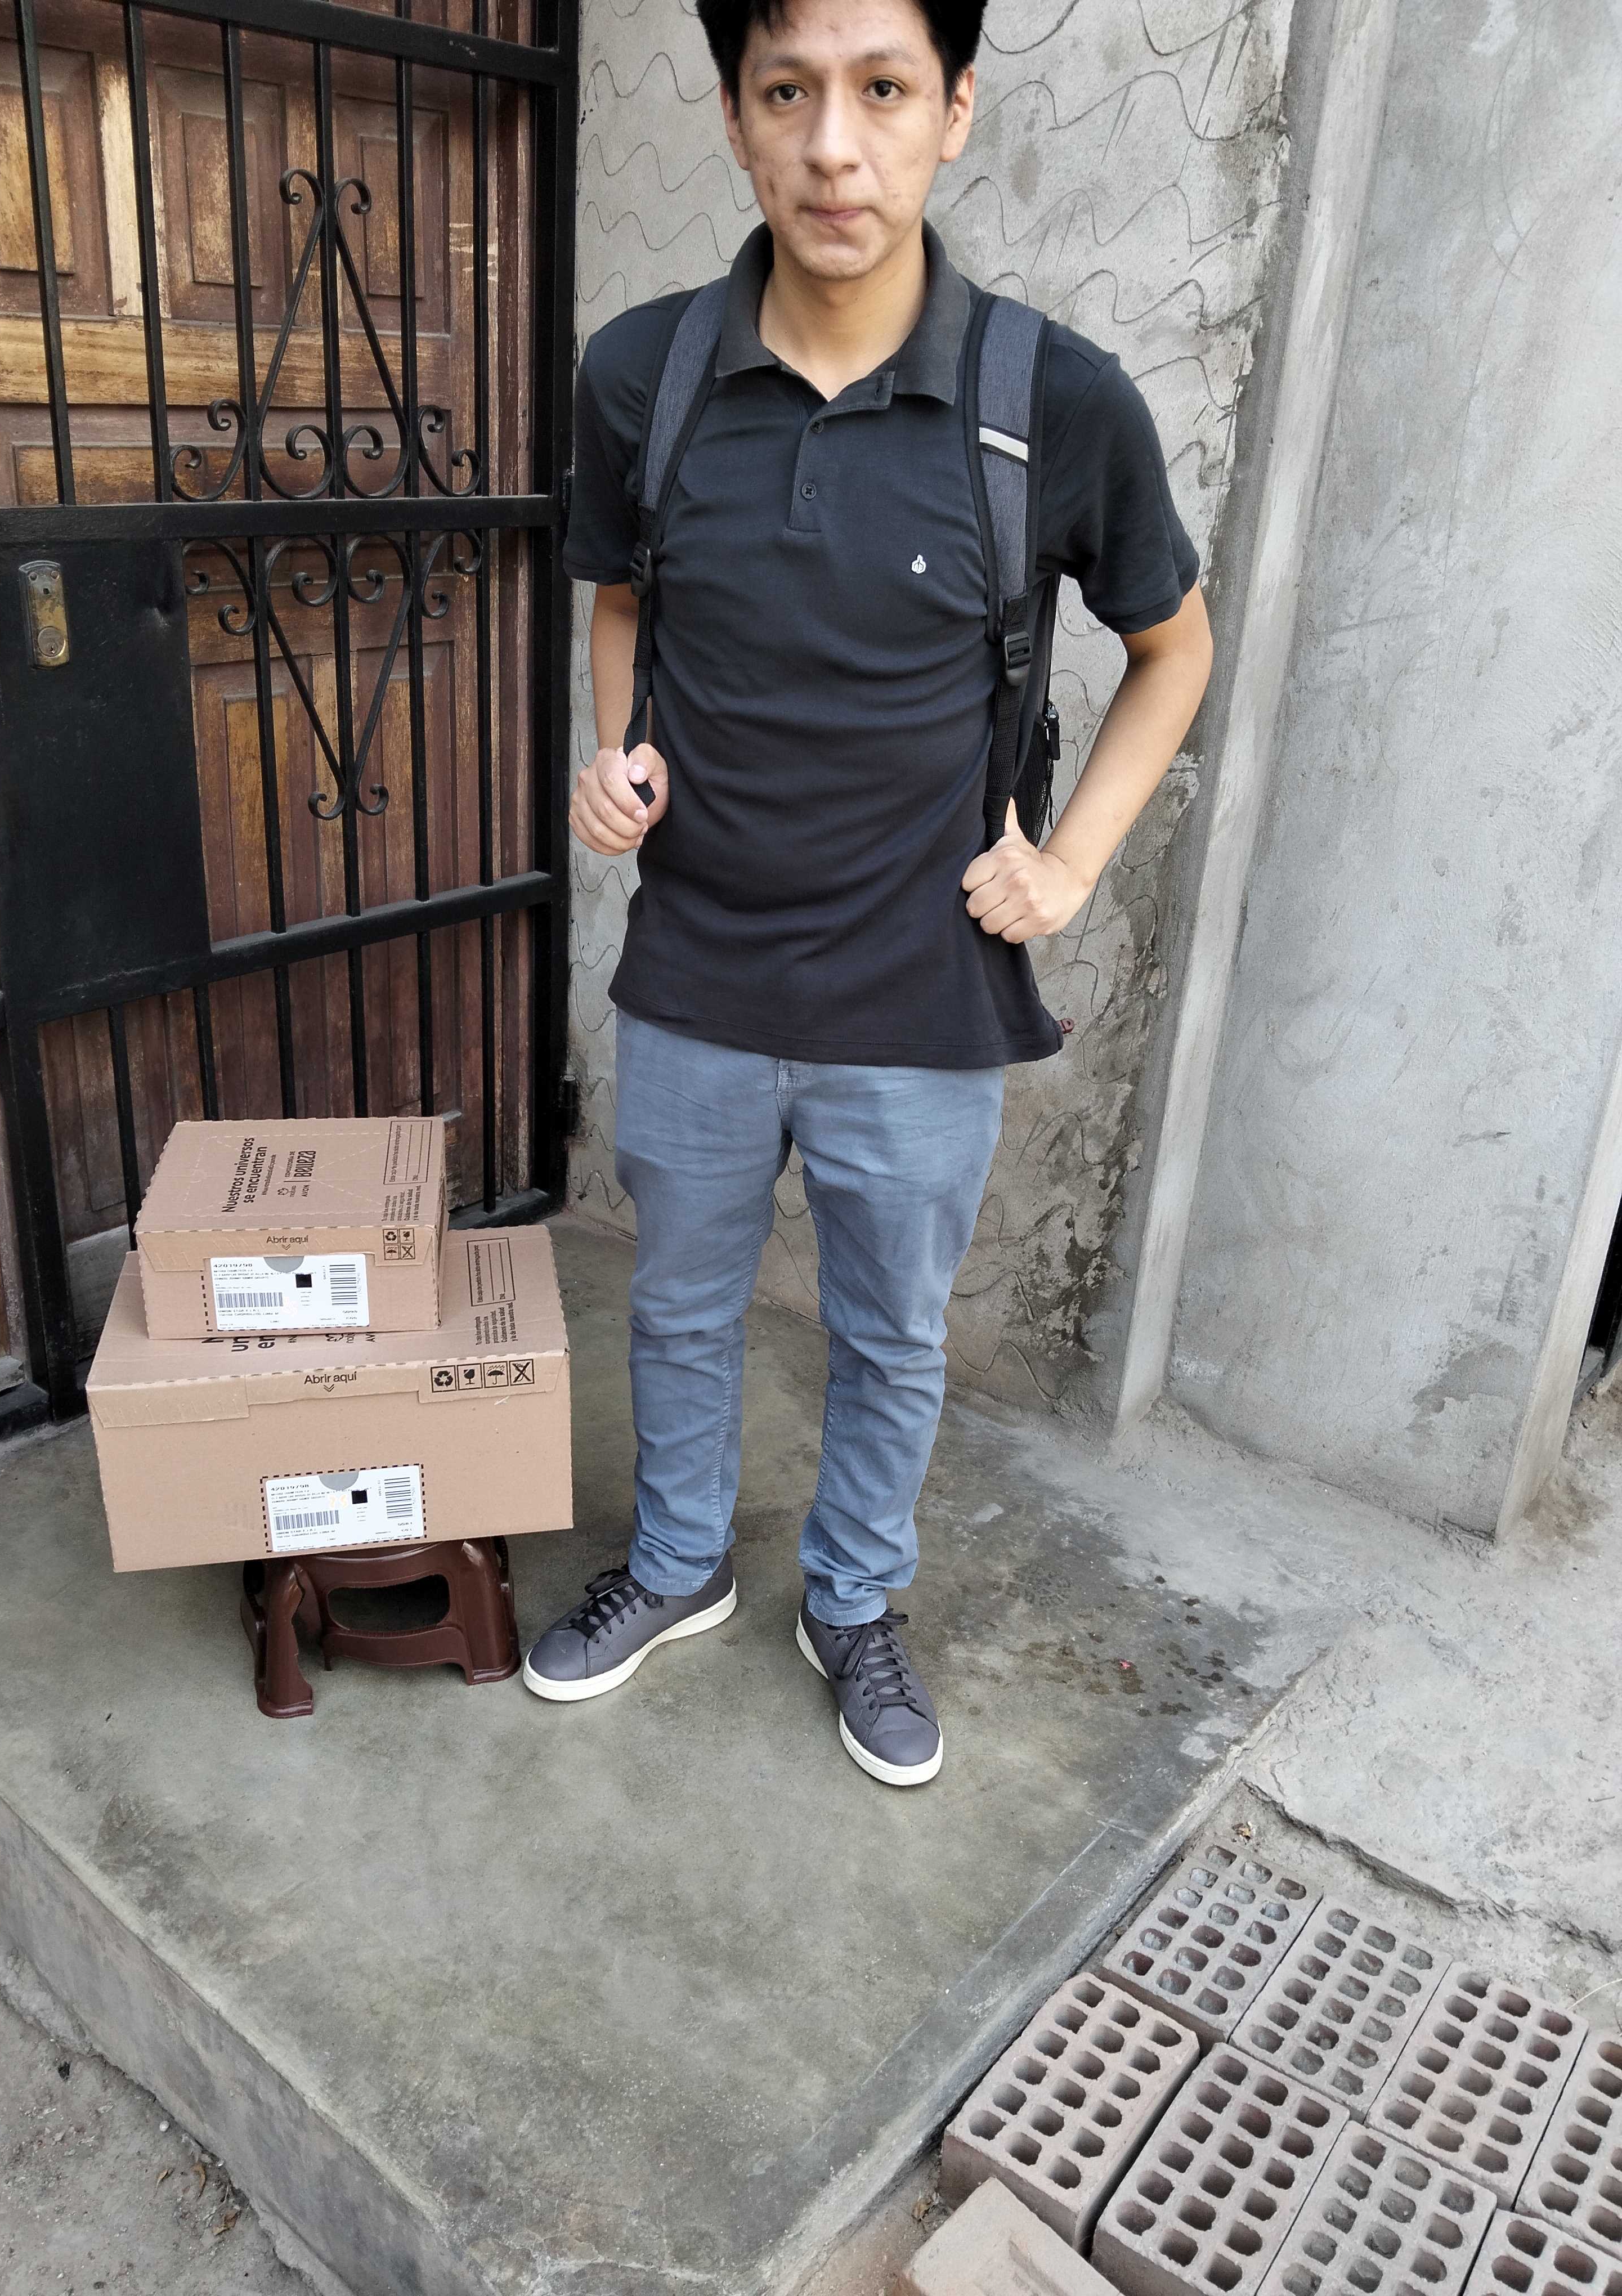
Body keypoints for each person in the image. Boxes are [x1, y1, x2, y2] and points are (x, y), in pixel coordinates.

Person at [521, 0, 1213, 1785]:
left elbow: (1174, 647)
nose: (835, 145)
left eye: (883, 90)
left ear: (953, 110)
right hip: (697, 969)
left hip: (923, 994)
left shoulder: (1051, 400)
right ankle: (681, 1563)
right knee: (675, 1304)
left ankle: (853, 1602)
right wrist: (619, 753)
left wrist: (1069, 864)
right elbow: (624, 595)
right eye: (790, 92)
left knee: (890, 1336)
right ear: (737, 116)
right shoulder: (643, 375)